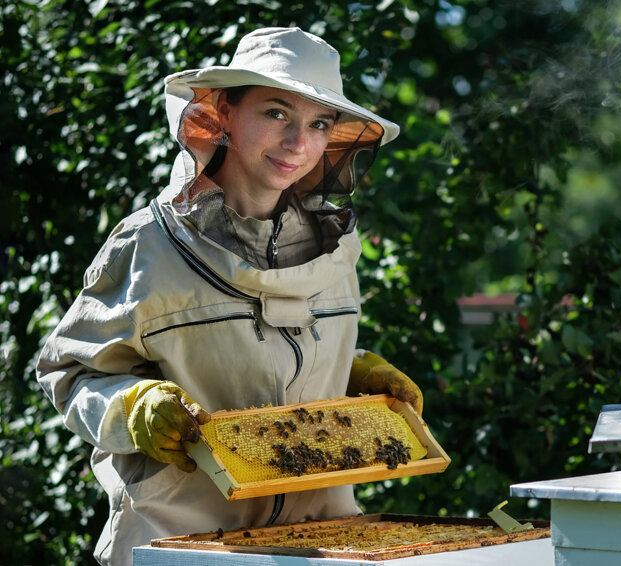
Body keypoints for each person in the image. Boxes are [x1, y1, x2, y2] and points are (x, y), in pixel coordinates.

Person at [36, 27, 423, 566]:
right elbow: (71, 372)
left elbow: (263, 359)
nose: (298, 143)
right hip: (177, 544)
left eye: (318, 124)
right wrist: (132, 408)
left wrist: (348, 373)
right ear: (222, 114)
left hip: (321, 541)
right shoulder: (148, 245)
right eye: (276, 113)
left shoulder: (335, 253)